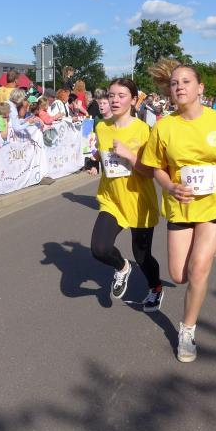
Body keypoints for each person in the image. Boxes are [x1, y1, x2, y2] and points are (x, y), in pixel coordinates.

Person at [143, 59, 216, 363]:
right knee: (179, 274)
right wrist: (169, 186)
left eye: (186, 82)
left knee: (199, 267)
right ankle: (207, 249)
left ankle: (187, 330)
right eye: (175, 83)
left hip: (215, 204)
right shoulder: (164, 127)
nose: (179, 87)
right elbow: (155, 167)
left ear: (200, 88)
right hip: (181, 205)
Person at [89, 78, 163, 310]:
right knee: (99, 249)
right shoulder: (101, 127)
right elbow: (102, 153)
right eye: (111, 95)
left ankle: (155, 287)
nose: (115, 100)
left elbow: (150, 172)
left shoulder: (144, 130)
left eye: (121, 96)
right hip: (112, 199)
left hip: (139, 201)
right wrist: (94, 161)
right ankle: (122, 267)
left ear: (133, 100)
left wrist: (129, 155)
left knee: (142, 257)